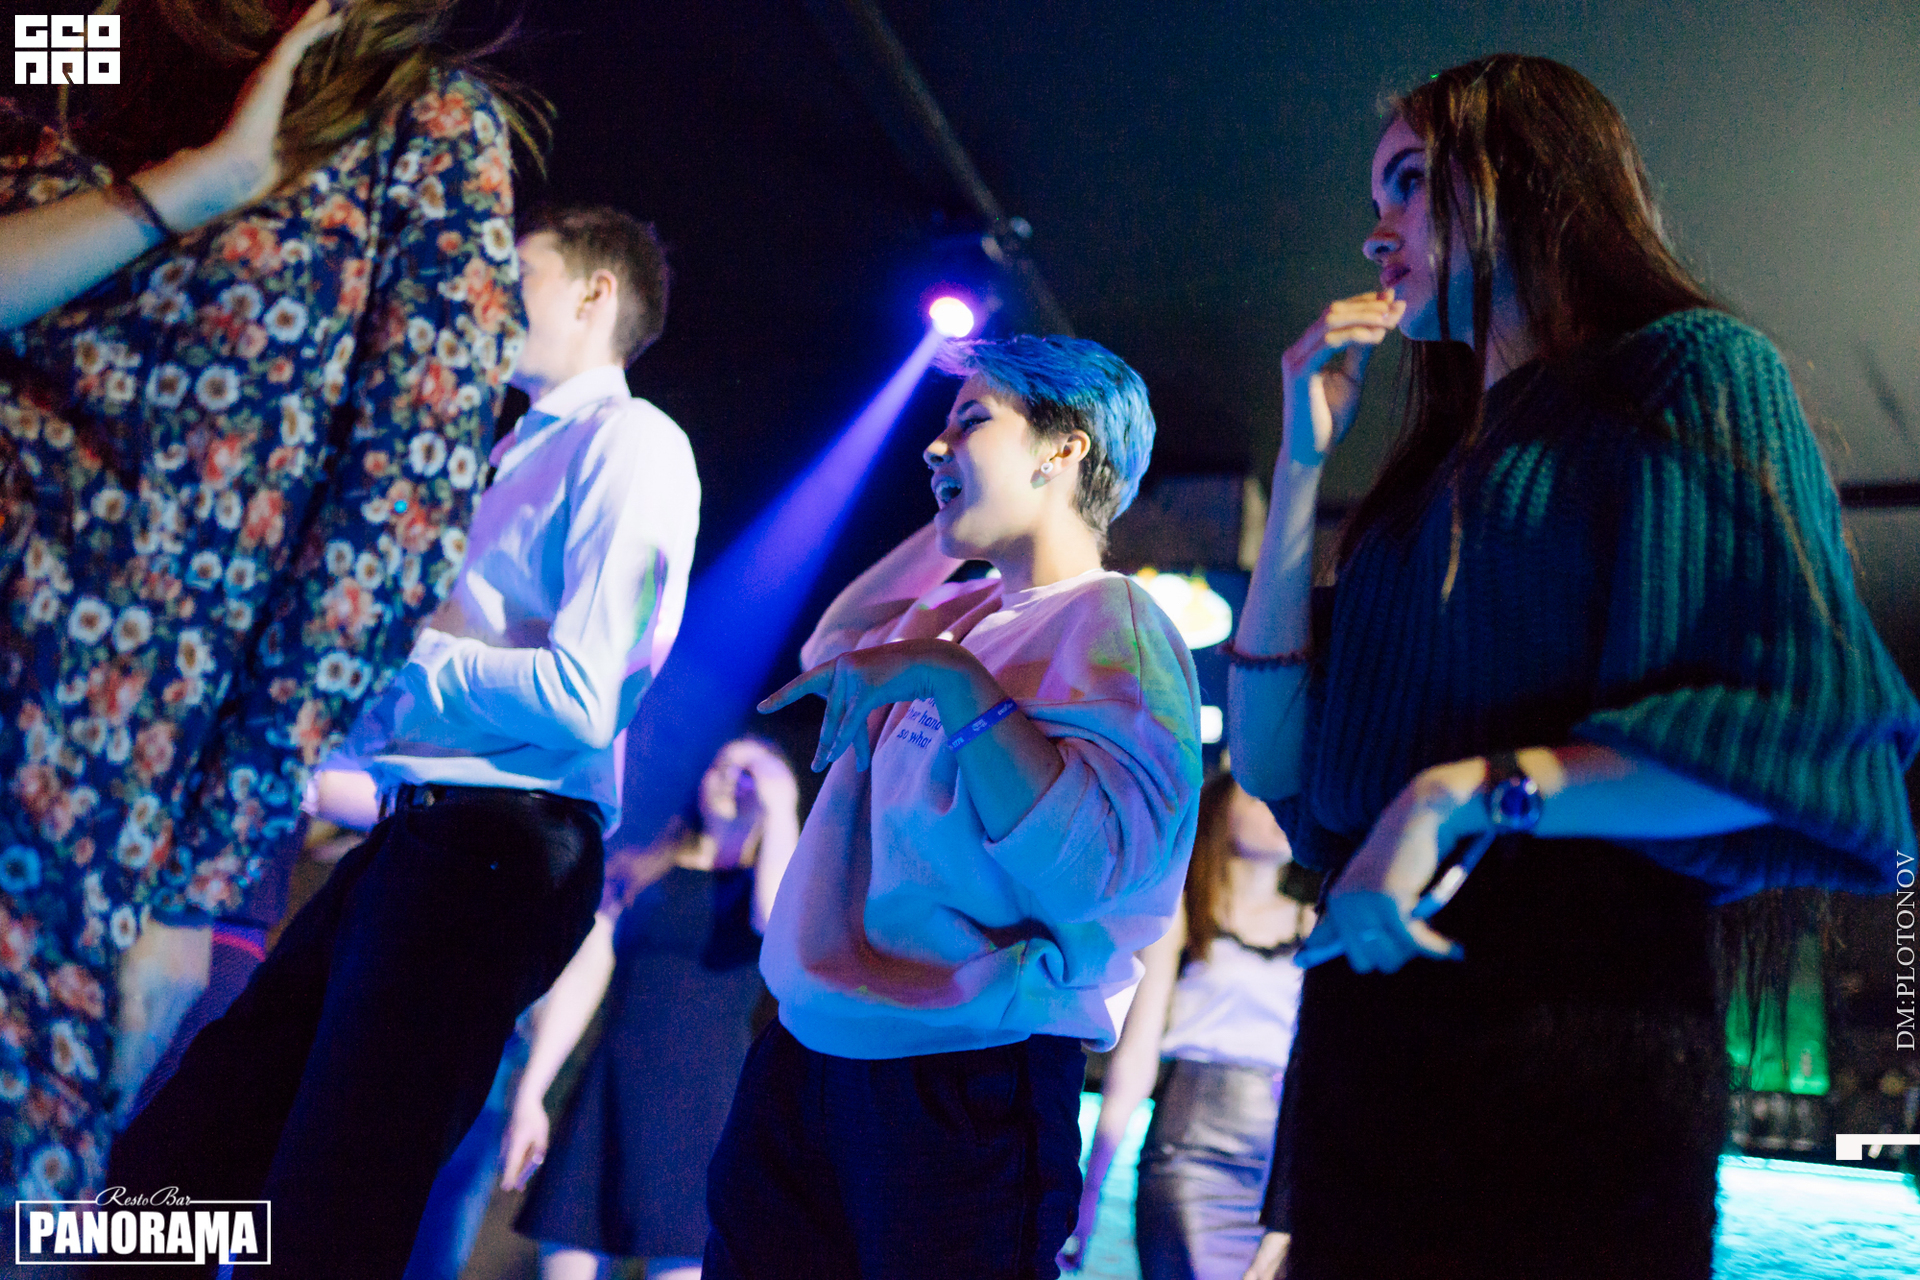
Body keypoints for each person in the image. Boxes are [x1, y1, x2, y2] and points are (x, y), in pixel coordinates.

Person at [1226, 54, 1920, 1280]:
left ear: (1523, 173)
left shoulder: (1692, 370)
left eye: (1408, 181)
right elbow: (1281, 764)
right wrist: (1298, 471)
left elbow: (1789, 732)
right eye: (1377, 196)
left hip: (1575, 1036)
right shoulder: (1422, 483)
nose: (1375, 229)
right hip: (1369, 1050)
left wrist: (1454, 793)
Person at [0, 0, 532, 1209]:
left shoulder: (419, 117)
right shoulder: (83, 41)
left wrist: (198, 886)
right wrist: (182, 190)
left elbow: (387, 534)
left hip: (89, 805)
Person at [106, 203, 700, 1278]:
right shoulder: (510, 452)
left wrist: (402, 656)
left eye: (517, 271)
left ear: (595, 293)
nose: (483, 294)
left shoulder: (634, 442)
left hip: (502, 848)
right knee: (179, 1161)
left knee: (329, 1209)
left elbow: (585, 696)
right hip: (418, 834)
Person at [706, 334, 1203, 1280]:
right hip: (810, 1054)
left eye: (972, 420)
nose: (934, 445)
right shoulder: (959, 613)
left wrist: (956, 682)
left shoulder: (1115, 624)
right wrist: (955, 512)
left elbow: (1093, 873)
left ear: (1064, 448)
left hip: (967, 1072)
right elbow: (835, 641)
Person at [497, 737, 799, 1280]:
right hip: (612, 1092)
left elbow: (775, 917)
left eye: (752, 773)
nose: (734, 779)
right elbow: (583, 980)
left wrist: (778, 807)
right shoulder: (638, 873)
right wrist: (531, 1095)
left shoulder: (765, 891)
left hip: (705, 1108)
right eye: (723, 765)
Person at [1061, 774, 1314, 1280]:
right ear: (1221, 810)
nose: (1280, 811)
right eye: (1262, 797)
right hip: (1191, 1152)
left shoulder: (1314, 922)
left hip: (1279, 1160)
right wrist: (1088, 1194)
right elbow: (1137, 1054)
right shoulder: (1183, 914)